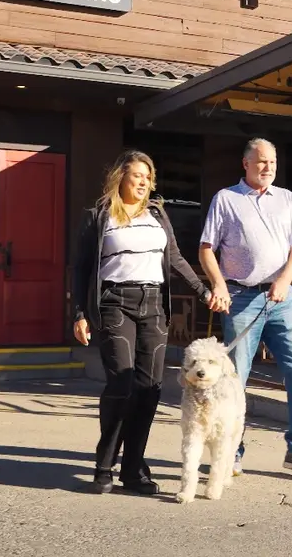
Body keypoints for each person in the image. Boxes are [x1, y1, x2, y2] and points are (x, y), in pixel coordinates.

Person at [73, 149, 210, 495]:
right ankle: (105, 463)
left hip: (154, 306)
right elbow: (81, 269)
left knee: (149, 390)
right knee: (121, 384)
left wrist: (202, 290)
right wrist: (79, 313)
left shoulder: (158, 215)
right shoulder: (98, 216)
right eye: (137, 176)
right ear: (120, 177)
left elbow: (174, 257)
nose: (144, 183)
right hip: (115, 303)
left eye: (148, 178)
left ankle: (133, 468)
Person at [199, 138, 292, 477]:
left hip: (281, 298)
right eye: (261, 162)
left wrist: (284, 280)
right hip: (241, 298)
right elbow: (206, 249)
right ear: (245, 164)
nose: (268, 167)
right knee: (234, 378)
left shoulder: (287, 199)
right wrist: (219, 284)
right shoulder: (226, 199)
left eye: (272, 162)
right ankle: (232, 452)